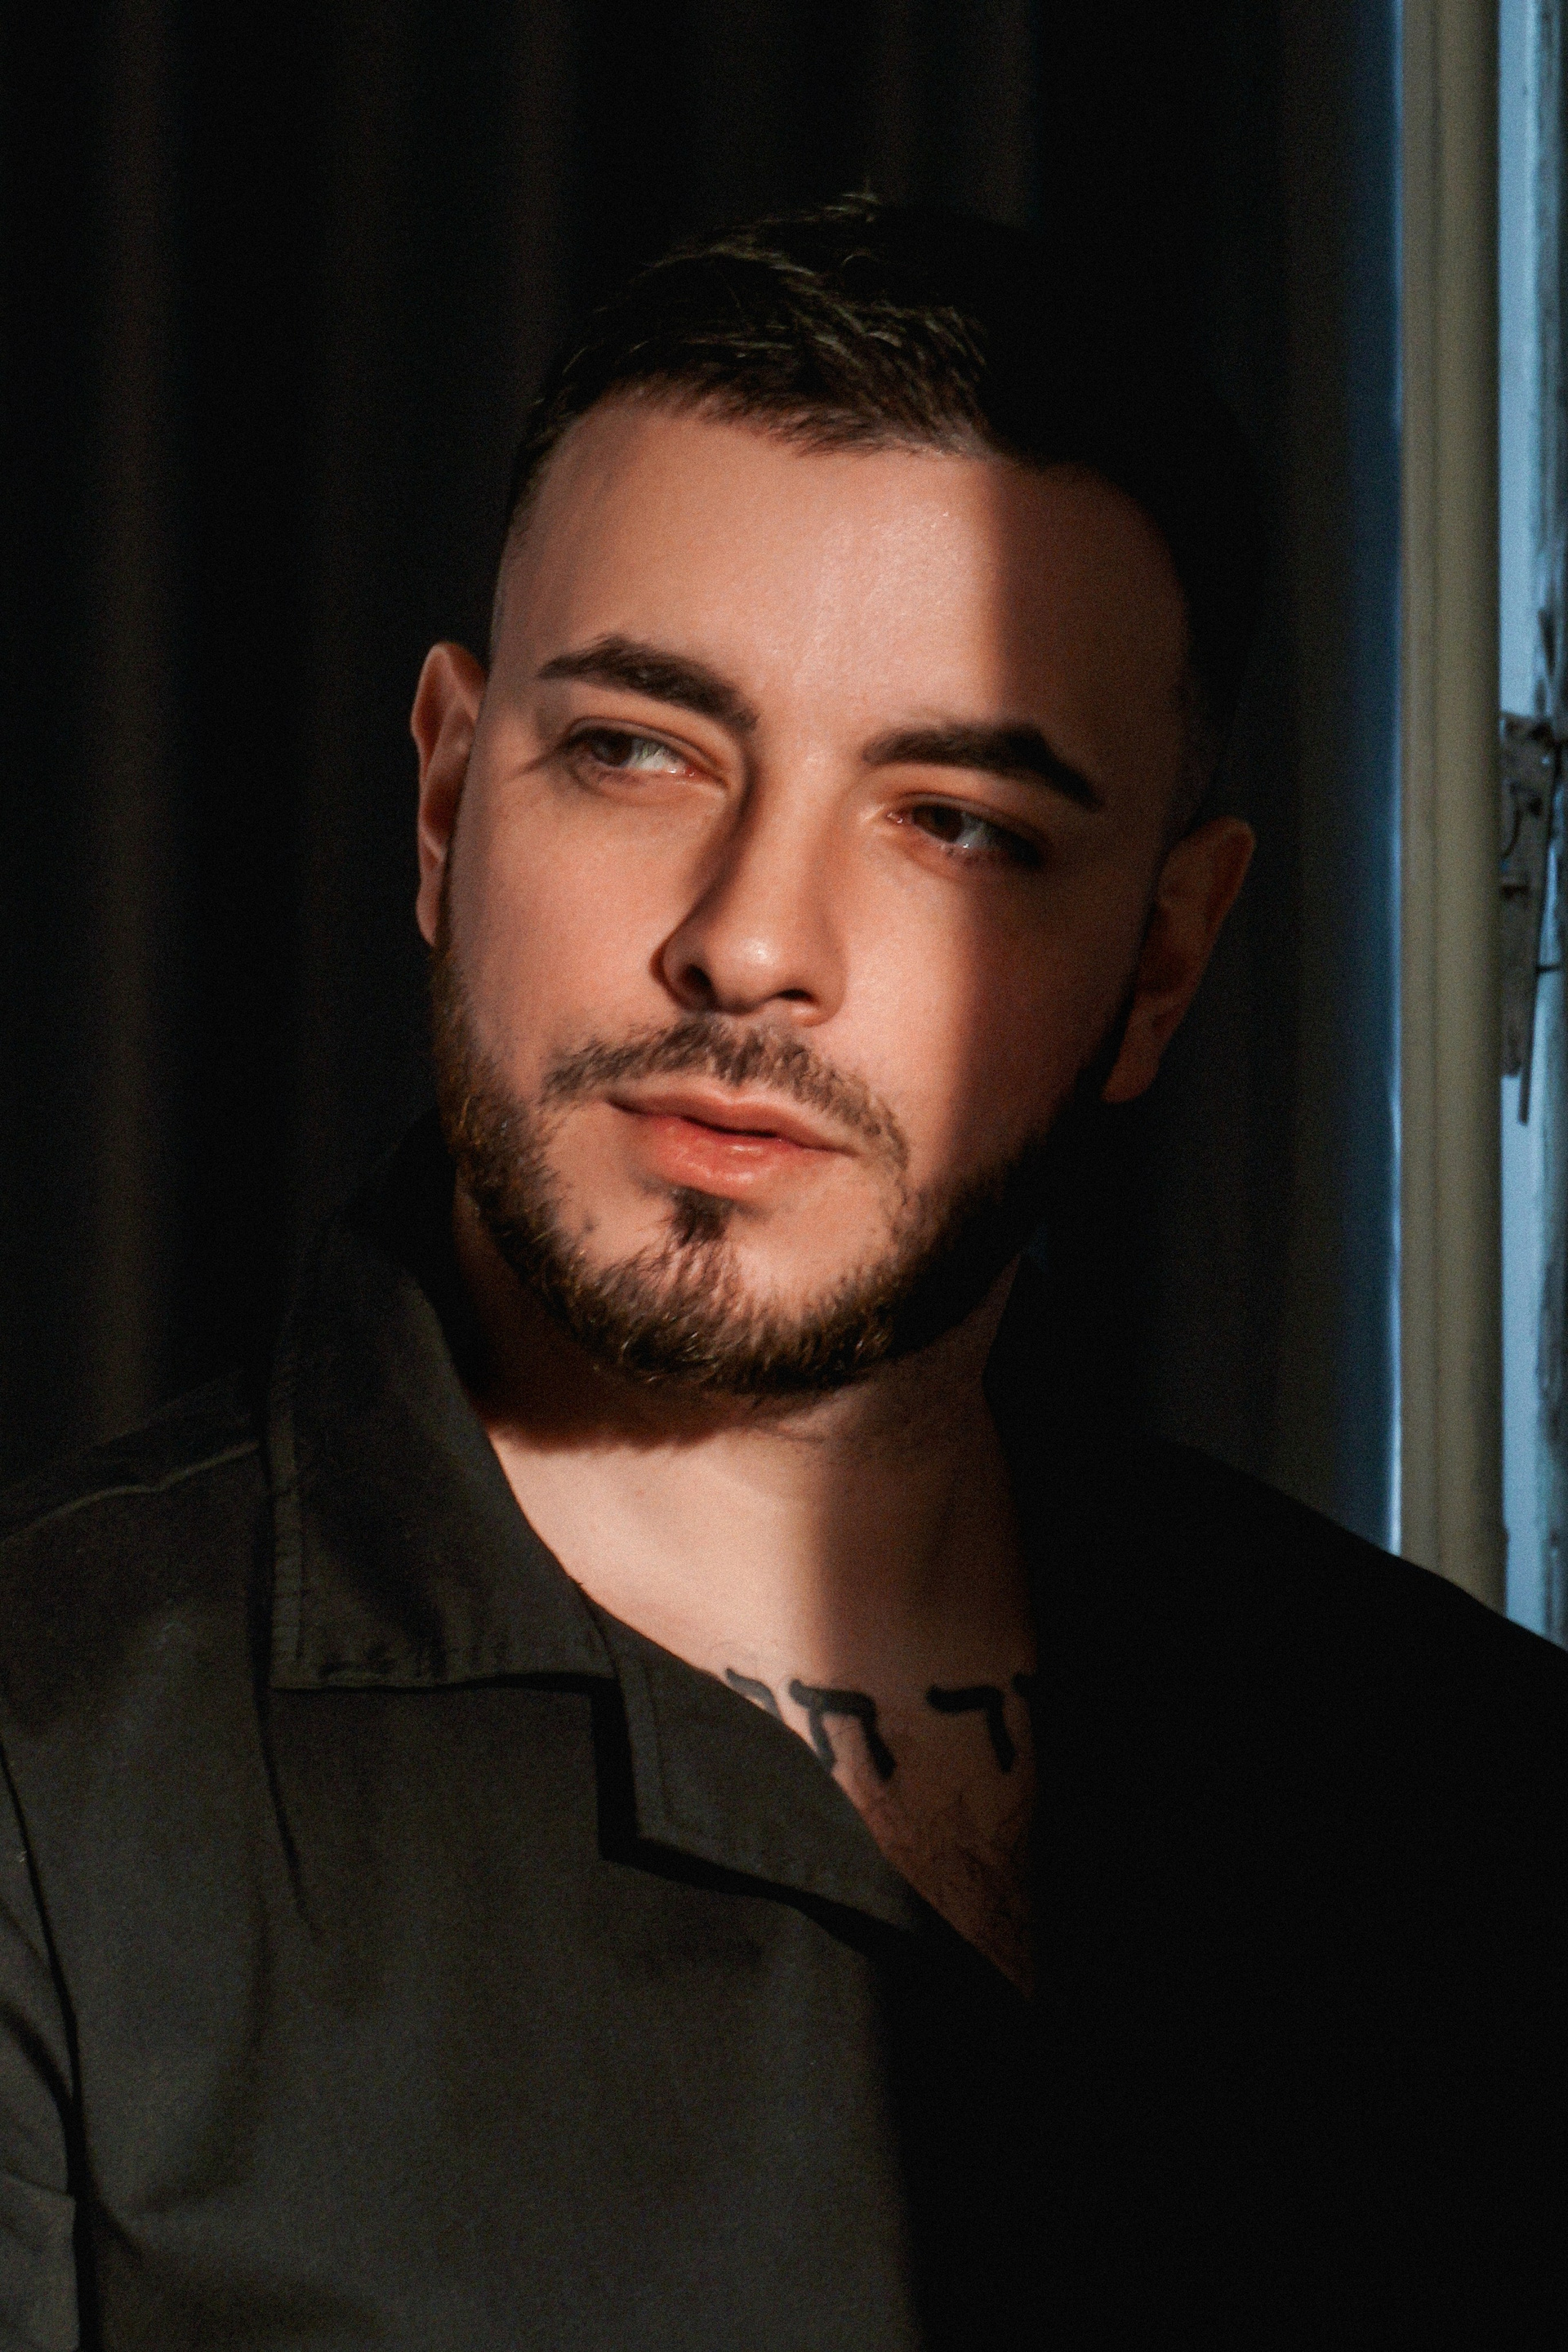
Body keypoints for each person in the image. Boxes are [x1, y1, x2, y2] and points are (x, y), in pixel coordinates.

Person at [0, 198, 1561, 2350]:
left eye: (958, 822)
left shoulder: (1457, 1787)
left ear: (1162, 961)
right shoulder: (54, 1777)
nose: (749, 942)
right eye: (638, 751)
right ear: (447, 804)